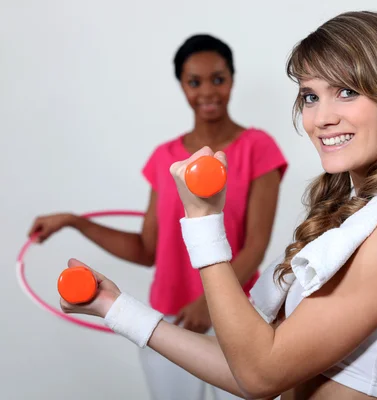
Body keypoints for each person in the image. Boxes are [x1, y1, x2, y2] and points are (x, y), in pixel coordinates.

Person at [59, 11, 377, 400]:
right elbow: (248, 369)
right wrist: (114, 307)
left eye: (347, 92)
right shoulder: (360, 219)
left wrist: (204, 221)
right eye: (310, 96)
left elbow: (259, 376)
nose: (321, 117)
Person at [30, 34, 288, 400]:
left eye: (218, 79)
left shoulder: (258, 148)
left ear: (232, 79)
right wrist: (75, 221)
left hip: (239, 314)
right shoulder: (164, 157)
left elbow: (257, 245)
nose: (207, 92)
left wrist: (207, 304)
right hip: (170, 318)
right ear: (182, 86)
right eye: (194, 82)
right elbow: (147, 249)